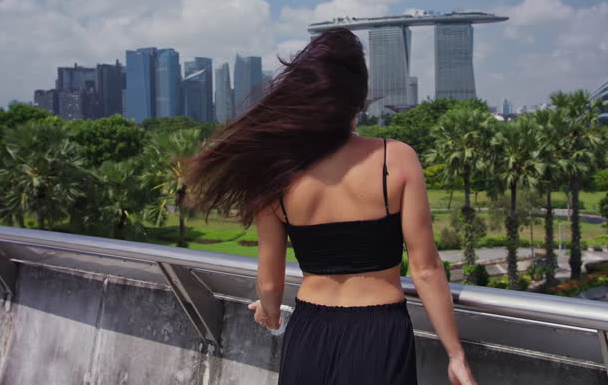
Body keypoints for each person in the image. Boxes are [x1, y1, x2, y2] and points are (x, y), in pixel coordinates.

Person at [186, 29, 476, 385]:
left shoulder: (276, 173)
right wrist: (455, 355)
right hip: (379, 333)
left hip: (309, 334)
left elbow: (271, 285)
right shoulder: (395, 158)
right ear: (360, 99)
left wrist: (268, 311)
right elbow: (426, 269)